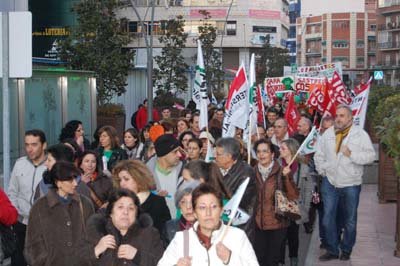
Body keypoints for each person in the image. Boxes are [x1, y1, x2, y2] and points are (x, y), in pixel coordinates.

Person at [315, 104, 375, 261]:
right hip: (330, 182)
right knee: (327, 218)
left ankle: (346, 249)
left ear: (350, 118)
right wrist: (322, 170)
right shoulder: (327, 134)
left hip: (351, 183)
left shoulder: (360, 135)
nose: (338, 118)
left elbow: (370, 156)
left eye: (342, 115)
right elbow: (318, 155)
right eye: (337, 115)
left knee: (350, 220)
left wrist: (351, 154)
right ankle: (333, 249)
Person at [158, 184, 259, 266]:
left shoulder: (237, 236)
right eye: (202, 207)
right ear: (195, 213)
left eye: (213, 207)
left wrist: (230, 258)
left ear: (221, 211)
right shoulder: (182, 239)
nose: (208, 213)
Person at [24, 161, 94, 266]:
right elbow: (33, 243)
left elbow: (93, 236)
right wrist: (43, 261)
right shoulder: (40, 206)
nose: (75, 183)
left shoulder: (85, 203)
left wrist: (87, 259)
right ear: (58, 182)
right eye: (70, 180)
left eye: (76, 178)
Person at [86, 189, 164, 266]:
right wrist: (96, 251)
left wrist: (137, 256)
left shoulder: (150, 234)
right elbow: (79, 261)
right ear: (111, 213)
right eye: (120, 207)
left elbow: (164, 262)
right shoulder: (97, 233)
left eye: (131, 208)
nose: (126, 212)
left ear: (136, 214)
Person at [253, 139, 299, 266]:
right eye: (258, 152)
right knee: (259, 259)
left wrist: (287, 178)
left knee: (272, 260)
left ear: (272, 154)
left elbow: (293, 196)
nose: (261, 155)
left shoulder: (282, 171)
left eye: (265, 151)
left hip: (277, 224)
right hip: (258, 224)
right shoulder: (252, 172)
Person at [7, 129, 47, 266]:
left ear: (44, 145)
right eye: (27, 144)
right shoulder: (19, 164)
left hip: (43, 225)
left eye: (34, 144)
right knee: (18, 261)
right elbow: (12, 192)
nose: (29, 149)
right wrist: (15, 215)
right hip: (21, 223)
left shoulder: (51, 167)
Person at [214, 137, 257, 243]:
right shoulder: (214, 169)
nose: (215, 157)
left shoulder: (246, 173)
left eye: (218, 154)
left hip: (238, 225)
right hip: (218, 223)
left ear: (229, 156)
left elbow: (240, 201)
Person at [112, 160, 171, 233]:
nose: (122, 184)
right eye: (120, 180)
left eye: (126, 179)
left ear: (139, 179)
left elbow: (165, 233)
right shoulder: (116, 203)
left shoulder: (158, 202)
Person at [146, 134, 184, 218]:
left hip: (181, 224)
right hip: (157, 224)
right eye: (175, 152)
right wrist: (155, 199)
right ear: (163, 154)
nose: (180, 155)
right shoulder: (146, 174)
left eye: (179, 151)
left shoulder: (184, 170)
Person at [279, 138, 302, 266]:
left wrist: (304, 207)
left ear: (291, 150)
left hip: (294, 204)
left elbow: (306, 186)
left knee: (293, 234)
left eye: (283, 148)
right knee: (281, 235)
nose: (280, 150)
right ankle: (280, 260)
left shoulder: (301, 165)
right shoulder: (277, 164)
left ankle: (294, 258)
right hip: (280, 203)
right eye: (280, 148)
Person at [162, 181, 198, 245]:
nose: (188, 207)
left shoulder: (212, 226)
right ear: (179, 207)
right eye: (183, 202)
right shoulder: (170, 228)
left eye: (192, 201)